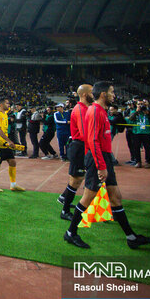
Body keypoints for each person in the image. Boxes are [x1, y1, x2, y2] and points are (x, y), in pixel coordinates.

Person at [64, 81, 150, 250]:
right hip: (97, 159)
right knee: (88, 197)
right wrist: (101, 165)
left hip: (103, 158)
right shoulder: (94, 111)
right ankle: (70, 233)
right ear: (104, 94)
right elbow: (92, 140)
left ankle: (131, 237)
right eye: (112, 92)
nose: (114, 95)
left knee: (115, 197)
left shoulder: (100, 111)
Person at [57, 84, 93, 221]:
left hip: (81, 146)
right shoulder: (81, 109)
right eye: (91, 92)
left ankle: (65, 202)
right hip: (80, 147)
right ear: (84, 94)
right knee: (76, 180)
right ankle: (65, 210)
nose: (94, 94)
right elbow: (85, 133)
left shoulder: (83, 108)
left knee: (77, 179)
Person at [0, 97, 25, 192]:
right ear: (1, 105)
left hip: (5, 144)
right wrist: (9, 141)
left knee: (12, 162)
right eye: (7, 103)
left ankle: (13, 185)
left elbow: (12, 108)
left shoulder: (5, 113)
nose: (9, 104)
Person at [128, 101, 150, 168]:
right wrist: (136, 112)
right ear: (136, 105)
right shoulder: (134, 112)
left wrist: (148, 113)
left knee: (147, 148)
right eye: (139, 104)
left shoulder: (147, 111)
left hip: (146, 132)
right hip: (136, 132)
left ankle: (148, 162)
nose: (140, 105)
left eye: (141, 104)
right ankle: (138, 161)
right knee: (136, 148)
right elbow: (130, 119)